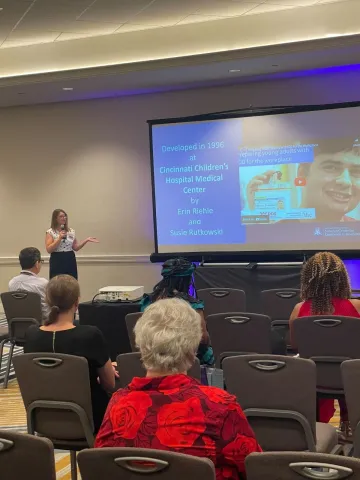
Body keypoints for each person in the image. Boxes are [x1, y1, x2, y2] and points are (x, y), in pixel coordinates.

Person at [95, 298, 262, 479]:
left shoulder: (118, 404)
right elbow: (255, 469)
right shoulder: (219, 405)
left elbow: (100, 467)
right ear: (193, 347)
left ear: (141, 346)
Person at [24, 275, 116, 432]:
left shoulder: (31, 335)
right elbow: (110, 385)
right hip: (88, 421)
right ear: (76, 303)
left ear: (47, 301)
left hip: (41, 419)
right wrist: (106, 370)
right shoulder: (90, 335)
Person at [289, 252, 360, 438]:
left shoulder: (299, 309)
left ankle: (318, 430)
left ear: (309, 280)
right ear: (342, 279)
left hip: (315, 379)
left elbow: (295, 345)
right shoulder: (357, 306)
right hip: (352, 378)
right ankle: (350, 425)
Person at [246, 138, 360, 222]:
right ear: (302, 174)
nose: (346, 182)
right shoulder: (273, 232)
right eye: (331, 167)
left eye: (356, 172)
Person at [141, 258, 214, 366]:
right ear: (186, 280)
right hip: (187, 359)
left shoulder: (147, 302)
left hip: (154, 357)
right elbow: (203, 339)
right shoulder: (193, 305)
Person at [45, 209, 99, 279]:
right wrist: (59, 238)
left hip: (69, 257)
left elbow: (75, 247)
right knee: (57, 282)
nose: (64, 218)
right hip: (57, 258)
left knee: (71, 280)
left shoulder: (71, 231)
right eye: (61, 216)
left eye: (65, 216)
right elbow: (49, 249)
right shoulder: (50, 232)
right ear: (55, 218)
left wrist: (86, 240)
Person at [9, 247, 49, 321]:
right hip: (40, 327)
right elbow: (46, 313)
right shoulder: (43, 283)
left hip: (17, 325)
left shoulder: (12, 282)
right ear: (37, 263)